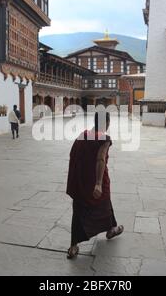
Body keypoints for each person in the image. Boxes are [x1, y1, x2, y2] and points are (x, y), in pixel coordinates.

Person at [65, 111, 124, 259]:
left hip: (80, 181)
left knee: (78, 212)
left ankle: (73, 246)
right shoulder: (103, 139)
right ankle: (111, 229)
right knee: (104, 203)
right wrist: (98, 183)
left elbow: (73, 156)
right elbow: (100, 159)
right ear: (108, 123)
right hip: (96, 180)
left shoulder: (82, 136)